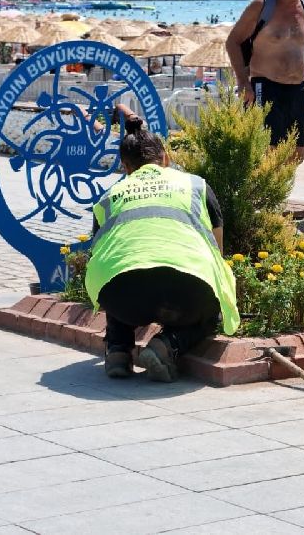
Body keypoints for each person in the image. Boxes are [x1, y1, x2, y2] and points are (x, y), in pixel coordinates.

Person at [85, 107, 239, 382]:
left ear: (124, 167)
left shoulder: (110, 196)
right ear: (165, 158)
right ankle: (167, 345)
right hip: (187, 292)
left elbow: (99, 253)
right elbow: (217, 252)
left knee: (119, 269)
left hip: (122, 299)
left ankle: (118, 350)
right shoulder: (196, 186)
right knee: (212, 309)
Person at [226, 0, 304, 163]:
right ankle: (263, 192)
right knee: (268, 151)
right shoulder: (262, 5)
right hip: (265, 86)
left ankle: (279, 192)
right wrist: (243, 81)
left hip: (297, 88)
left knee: (296, 154)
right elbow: (233, 42)